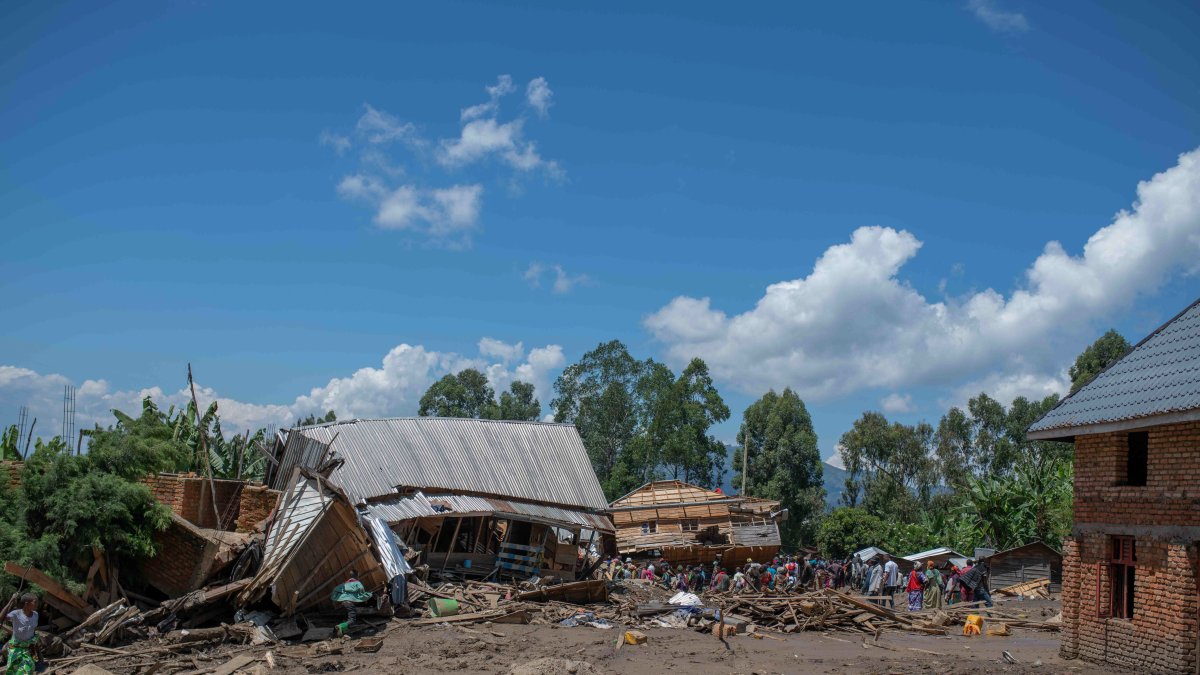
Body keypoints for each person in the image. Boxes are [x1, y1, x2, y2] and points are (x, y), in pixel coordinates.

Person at [330, 571, 372, 636]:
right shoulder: (358, 583)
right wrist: (370, 594)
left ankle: (342, 632)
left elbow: (335, 589)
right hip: (349, 603)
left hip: (343, 602)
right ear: (358, 576)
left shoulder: (345, 584)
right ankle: (340, 626)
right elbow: (362, 593)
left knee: (347, 618)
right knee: (352, 620)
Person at [5, 593, 39, 675]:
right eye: (35, 602)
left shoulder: (36, 615)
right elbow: (1, 619)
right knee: (12, 672)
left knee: (27, 670)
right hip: (16, 649)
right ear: (27, 604)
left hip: (28, 650)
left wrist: (38, 653)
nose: (37, 604)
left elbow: (33, 633)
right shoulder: (16, 614)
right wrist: (11, 601)